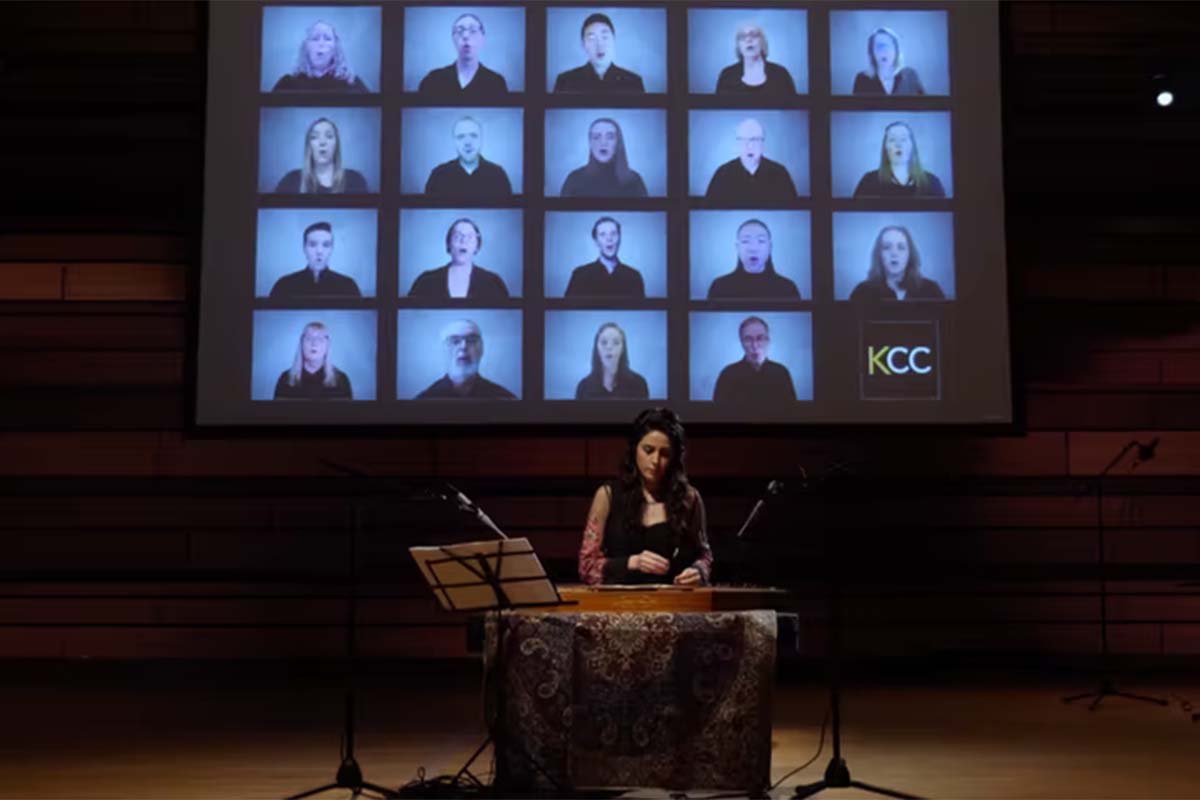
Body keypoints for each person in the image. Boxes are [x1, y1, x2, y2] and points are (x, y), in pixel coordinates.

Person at [578, 408, 712, 585]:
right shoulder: (608, 496)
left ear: (674, 458)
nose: (655, 461)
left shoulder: (689, 498)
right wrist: (632, 563)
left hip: (673, 602)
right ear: (635, 450)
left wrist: (698, 572)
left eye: (664, 454)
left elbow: (704, 557)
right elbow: (586, 568)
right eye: (648, 450)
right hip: (617, 605)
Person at [408, 218, 510, 300]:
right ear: (448, 244)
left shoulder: (493, 283)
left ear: (477, 245)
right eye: (457, 236)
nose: (463, 241)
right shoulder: (426, 281)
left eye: (470, 237)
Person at [416, 319, 516, 399]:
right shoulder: (423, 401)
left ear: (482, 349)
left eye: (472, 340)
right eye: (455, 341)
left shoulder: (505, 399)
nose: (463, 347)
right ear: (443, 350)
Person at [704, 118, 797, 203]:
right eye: (743, 140)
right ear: (737, 143)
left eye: (755, 140)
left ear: (762, 142)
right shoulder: (722, 174)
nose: (749, 146)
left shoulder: (780, 173)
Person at [418, 13, 509, 98]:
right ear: (453, 38)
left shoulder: (496, 82)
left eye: (473, 31)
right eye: (459, 31)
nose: (466, 36)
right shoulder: (433, 80)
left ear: (482, 38)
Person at [707, 219, 801, 299]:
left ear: (770, 247)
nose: (753, 248)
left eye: (761, 241)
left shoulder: (787, 288)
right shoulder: (720, 287)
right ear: (737, 247)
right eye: (745, 241)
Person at [553, 13, 645, 94]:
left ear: (614, 40)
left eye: (605, 37)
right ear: (583, 44)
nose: (599, 44)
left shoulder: (633, 81)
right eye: (592, 38)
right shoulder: (565, 81)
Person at [712, 316, 796, 403]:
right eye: (748, 339)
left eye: (760, 338)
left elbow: (792, 412)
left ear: (768, 340)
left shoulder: (781, 373)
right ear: (741, 342)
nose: (755, 345)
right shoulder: (728, 375)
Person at [424, 116, 513, 199]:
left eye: (473, 135)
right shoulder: (438, 175)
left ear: (481, 140)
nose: (467, 142)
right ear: (454, 142)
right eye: (461, 136)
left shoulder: (498, 175)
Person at [849, 225, 945, 301]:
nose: (894, 253)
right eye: (887, 247)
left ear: (910, 254)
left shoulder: (931, 290)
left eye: (901, 247)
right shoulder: (862, 292)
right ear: (879, 254)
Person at [275, 117, 369, 194]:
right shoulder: (290, 181)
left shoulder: (355, 181)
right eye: (314, 137)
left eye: (329, 136)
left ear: (336, 144)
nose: (322, 142)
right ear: (309, 146)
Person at [852, 121, 946, 198]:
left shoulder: (932, 182)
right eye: (892, 139)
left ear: (912, 146)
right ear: (885, 147)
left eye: (903, 139)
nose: (898, 144)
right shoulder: (869, 181)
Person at [272, 20, 371, 93]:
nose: (321, 43)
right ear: (306, 47)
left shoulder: (352, 83)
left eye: (327, 39)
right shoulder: (287, 83)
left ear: (336, 48)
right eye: (315, 38)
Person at [269, 222, 362, 298]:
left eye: (326, 245)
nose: (319, 251)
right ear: (304, 248)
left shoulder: (348, 286)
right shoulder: (284, 285)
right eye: (313, 244)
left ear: (331, 249)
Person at [560, 118, 648, 198]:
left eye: (610, 137)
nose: (603, 143)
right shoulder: (574, 179)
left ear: (618, 142)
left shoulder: (634, 180)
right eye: (596, 137)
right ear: (590, 142)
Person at [564, 217, 646, 298]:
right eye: (603, 234)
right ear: (596, 241)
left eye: (613, 233)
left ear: (619, 238)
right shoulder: (580, 275)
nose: (609, 239)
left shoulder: (634, 276)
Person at [273, 322, 353, 400]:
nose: (314, 343)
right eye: (309, 338)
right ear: (301, 344)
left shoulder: (341, 380)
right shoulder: (285, 379)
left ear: (327, 346)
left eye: (320, 339)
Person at [715, 24, 796, 95]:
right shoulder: (727, 75)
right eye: (742, 37)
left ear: (762, 42)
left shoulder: (781, 74)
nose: (748, 40)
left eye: (754, 35)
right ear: (738, 46)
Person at [575, 322, 650, 400]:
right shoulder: (583, 387)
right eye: (604, 342)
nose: (609, 347)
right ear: (596, 349)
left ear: (623, 349)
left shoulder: (639, 384)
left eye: (616, 342)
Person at [852, 27, 925, 96]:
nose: (884, 51)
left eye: (888, 46)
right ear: (872, 52)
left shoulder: (910, 75)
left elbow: (925, 106)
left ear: (896, 50)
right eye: (880, 46)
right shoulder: (862, 79)